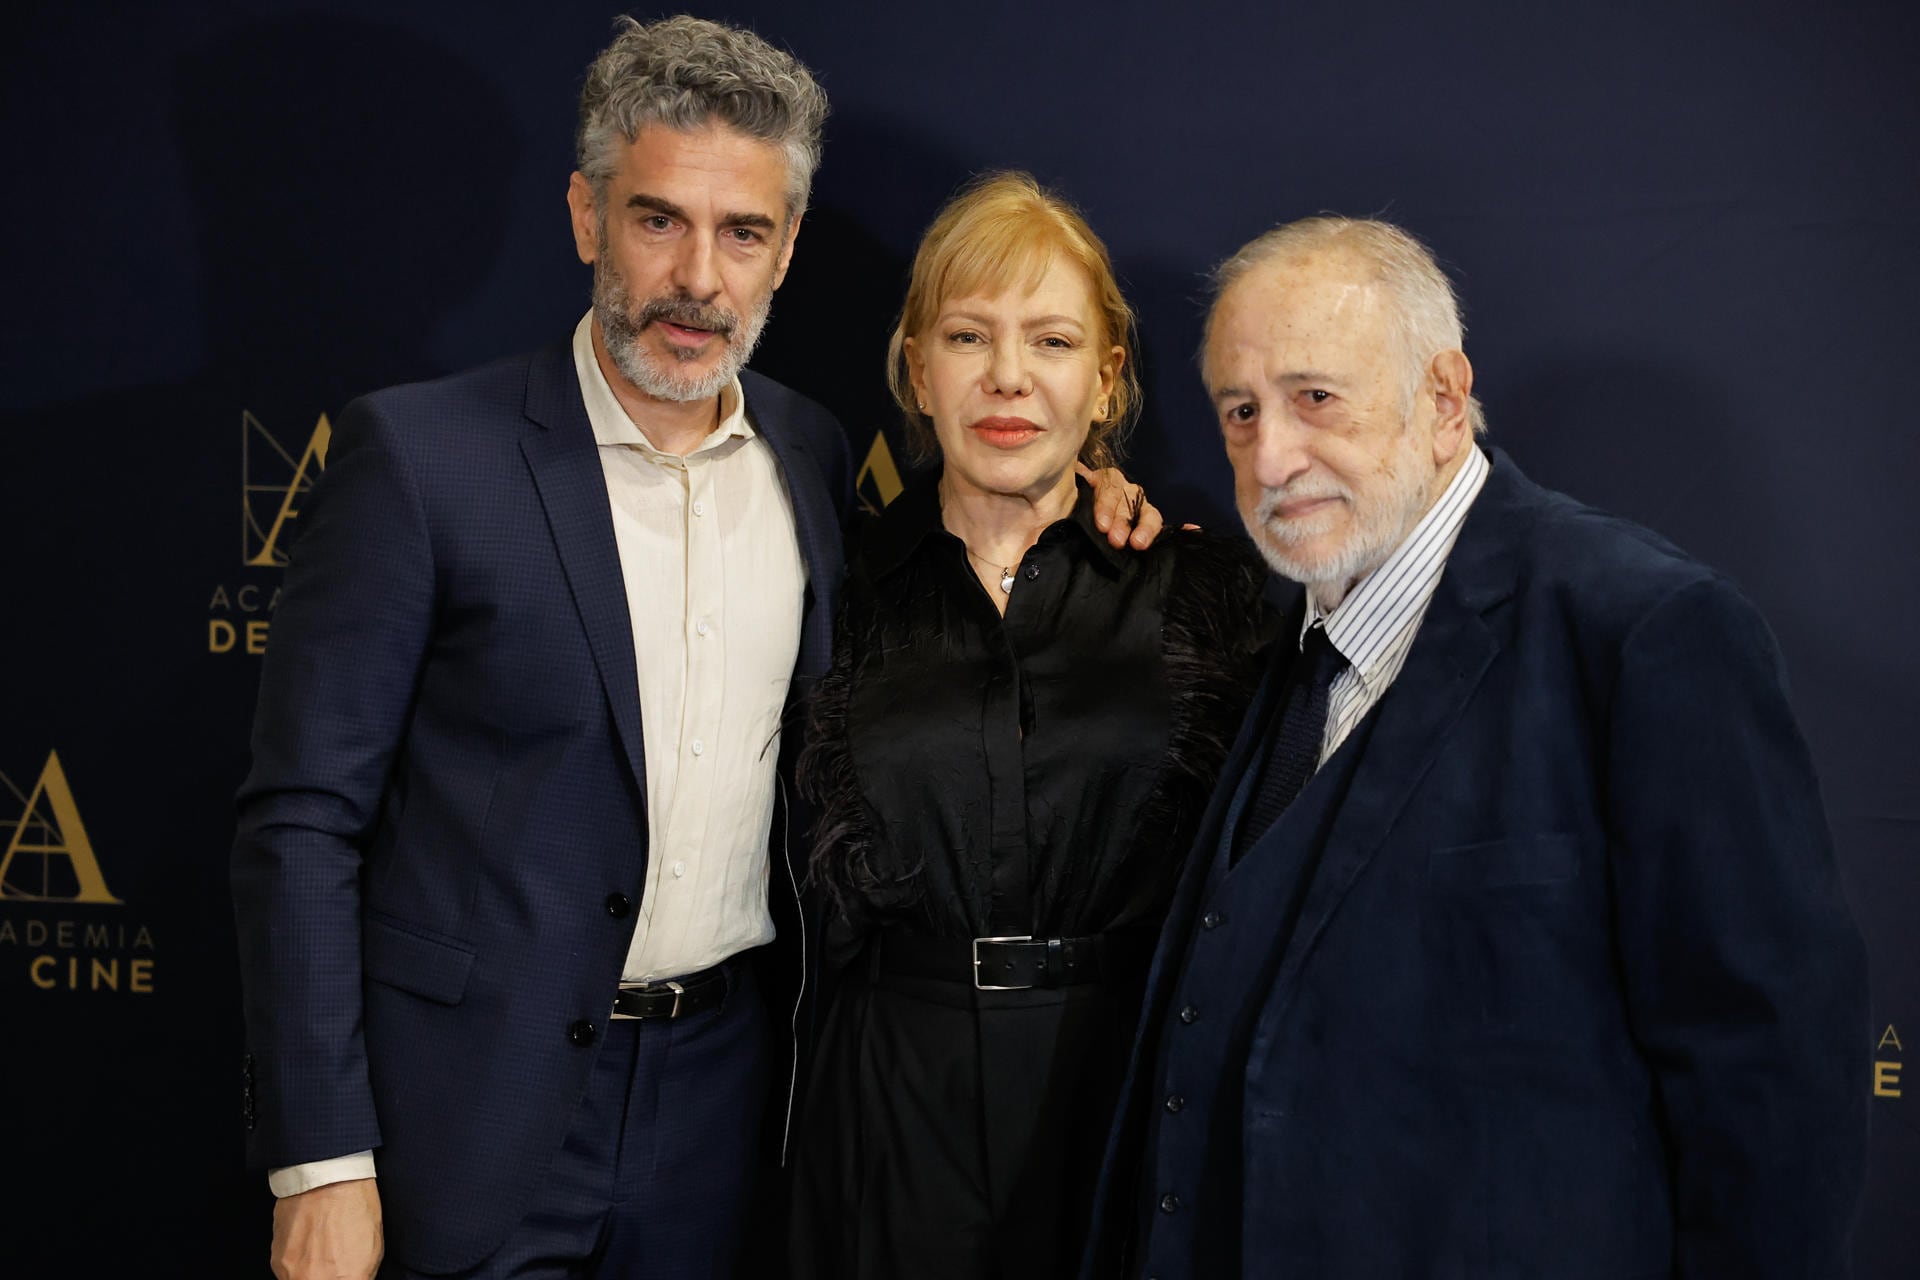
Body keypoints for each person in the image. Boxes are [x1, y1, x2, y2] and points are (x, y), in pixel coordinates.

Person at [1085, 216, 1871, 1279]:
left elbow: (1770, 1074)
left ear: (1445, 399)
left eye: (1316, 396)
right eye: (1240, 410)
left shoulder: (1643, 629)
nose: (1272, 454)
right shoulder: (1292, 645)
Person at [231, 17, 844, 1280]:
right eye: (658, 218)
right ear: (585, 215)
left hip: (726, 1109)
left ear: (786, 248)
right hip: (463, 1116)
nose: (699, 281)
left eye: (744, 234)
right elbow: (300, 820)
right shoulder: (421, 458)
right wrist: (324, 1158)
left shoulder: (816, 456)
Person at [788, 172, 1271, 1280]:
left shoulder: (1205, 590)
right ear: (918, 366)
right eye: (969, 335)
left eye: (1050, 341)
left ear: (1105, 382)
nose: (1008, 376)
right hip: (887, 1107)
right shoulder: (831, 587)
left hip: (1131, 1089)